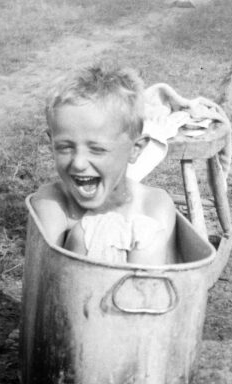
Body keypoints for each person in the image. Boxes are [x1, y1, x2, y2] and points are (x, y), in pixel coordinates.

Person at [30, 66, 180, 266]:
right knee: (87, 234)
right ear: (52, 143)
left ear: (135, 149)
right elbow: (45, 279)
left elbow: (171, 282)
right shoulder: (53, 203)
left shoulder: (154, 205)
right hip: (68, 293)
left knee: (149, 239)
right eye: (65, 147)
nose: (79, 163)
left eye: (97, 150)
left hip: (146, 294)